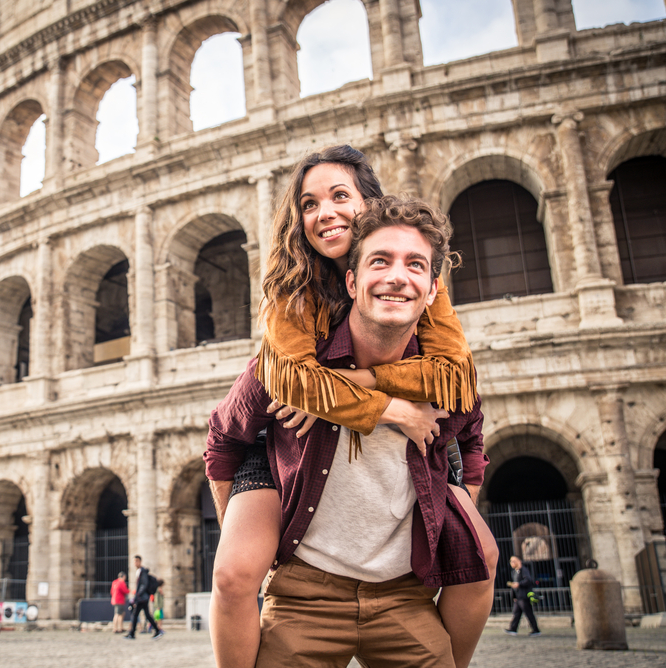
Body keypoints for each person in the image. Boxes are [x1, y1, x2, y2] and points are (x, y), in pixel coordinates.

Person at [206, 145, 497, 668]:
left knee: (484, 555)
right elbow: (284, 387)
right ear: (351, 279)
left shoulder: (421, 284)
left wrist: (356, 384)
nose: (325, 213)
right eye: (309, 203)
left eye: (341, 196)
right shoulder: (292, 294)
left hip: (401, 557)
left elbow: (457, 381)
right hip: (278, 457)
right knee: (232, 573)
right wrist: (393, 409)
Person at [124, 555, 163, 640]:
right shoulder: (139, 571)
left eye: (136, 561)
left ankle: (132, 633)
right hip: (142, 597)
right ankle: (157, 631)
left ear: (140, 561)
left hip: (142, 598)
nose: (135, 563)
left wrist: (137, 595)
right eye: (134, 561)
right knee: (146, 615)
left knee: (136, 615)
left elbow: (144, 585)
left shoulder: (142, 571)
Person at [506, 555, 541, 636]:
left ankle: (536, 630)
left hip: (524, 596)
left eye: (514, 561)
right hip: (518, 597)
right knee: (516, 613)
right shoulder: (514, 572)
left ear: (519, 561)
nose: (512, 563)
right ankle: (513, 629)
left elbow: (528, 580)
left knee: (528, 613)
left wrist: (519, 584)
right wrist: (514, 596)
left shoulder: (524, 570)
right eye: (511, 561)